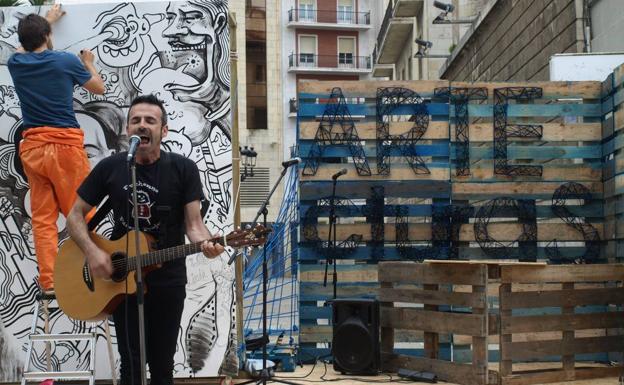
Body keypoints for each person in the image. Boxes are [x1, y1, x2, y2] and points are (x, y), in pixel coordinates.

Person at [66, 94, 225, 385]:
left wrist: (207, 244)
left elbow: (194, 226)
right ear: (128, 129)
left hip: (168, 278)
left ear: (163, 130)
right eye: (136, 120)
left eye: (150, 120)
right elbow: (75, 216)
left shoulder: (183, 169)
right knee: (132, 366)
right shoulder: (111, 168)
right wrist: (91, 251)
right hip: (121, 278)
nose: (142, 125)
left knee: (163, 366)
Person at [7, 4, 105, 293]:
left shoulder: (16, 63)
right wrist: (88, 62)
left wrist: (45, 24)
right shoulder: (66, 62)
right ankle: (94, 269)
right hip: (64, 148)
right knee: (83, 212)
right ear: (48, 36)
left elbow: (22, 49)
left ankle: (49, 281)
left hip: (34, 149)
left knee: (43, 218)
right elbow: (98, 88)